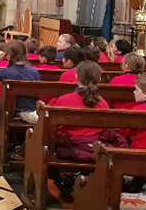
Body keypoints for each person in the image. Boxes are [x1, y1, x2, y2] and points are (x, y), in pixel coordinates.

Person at [47, 61, 123, 196]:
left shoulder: (64, 100)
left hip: (69, 147)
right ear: (99, 79)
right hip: (93, 148)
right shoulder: (102, 103)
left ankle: (63, 179)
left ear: (76, 77)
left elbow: (54, 127)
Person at [0, 40, 40, 124]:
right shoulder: (34, 71)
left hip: (14, 109)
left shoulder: (6, 72)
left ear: (9, 55)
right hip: (32, 108)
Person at [124, 75, 146, 193]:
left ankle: (135, 185)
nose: (134, 92)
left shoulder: (137, 111)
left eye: (137, 90)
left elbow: (126, 132)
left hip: (139, 152)